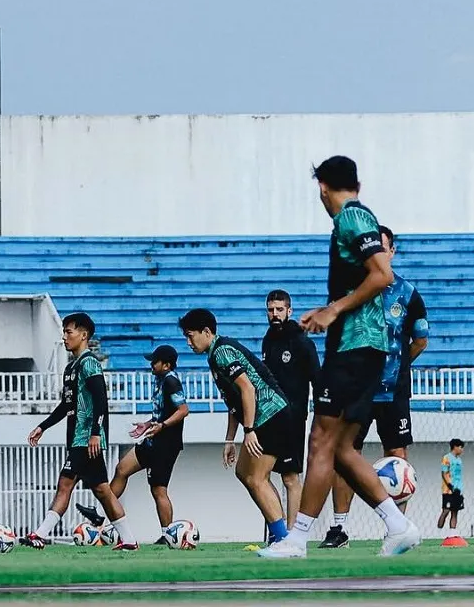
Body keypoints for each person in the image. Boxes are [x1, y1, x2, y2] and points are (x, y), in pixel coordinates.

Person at [260, 156, 420, 559]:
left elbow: (382, 274)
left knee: (321, 441)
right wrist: (329, 310)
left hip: (355, 348)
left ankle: (296, 540)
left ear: (322, 188)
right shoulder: (358, 217)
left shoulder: (351, 218)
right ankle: (398, 525)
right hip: (364, 348)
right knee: (343, 449)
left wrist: (334, 310)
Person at [321, 225, 429, 549]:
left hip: (393, 390)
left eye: (383, 248)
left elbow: (420, 341)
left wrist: (396, 366)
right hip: (358, 389)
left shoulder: (408, 293)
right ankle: (339, 528)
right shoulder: (353, 289)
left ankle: (396, 529)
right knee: (345, 453)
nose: (377, 254)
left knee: (397, 457)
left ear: (392, 252)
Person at [23, 313, 138, 550]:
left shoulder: (89, 363)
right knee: (102, 490)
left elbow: (101, 399)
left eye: (69, 332)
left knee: (65, 483)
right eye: (64, 332)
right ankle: (129, 540)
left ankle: (40, 534)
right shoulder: (70, 368)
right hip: (77, 438)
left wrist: (96, 432)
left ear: (83, 335)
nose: (64, 337)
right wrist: (42, 427)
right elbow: (66, 405)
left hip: (86, 438)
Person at [180, 308, 293, 546]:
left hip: (271, 414)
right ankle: (279, 534)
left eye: (190, 336)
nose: (188, 342)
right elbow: (234, 401)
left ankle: (283, 540)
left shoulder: (221, 351)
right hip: (267, 417)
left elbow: (247, 389)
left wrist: (249, 431)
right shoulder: (215, 353)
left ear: (206, 332)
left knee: (256, 478)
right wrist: (230, 439)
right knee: (244, 472)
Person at [77, 344, 190, 546]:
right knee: (122, 469)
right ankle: (100, 514)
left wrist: (162, 426)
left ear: (166, 365)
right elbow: (163, 412)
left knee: (158, 490)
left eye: (155, 362)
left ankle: (168, 535)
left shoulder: (171, 381)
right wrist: (148, 424)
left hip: (165, 445)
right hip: (153, 440)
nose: (151, 365)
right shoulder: (161, 380)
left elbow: (183, 410)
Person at [261, 289, 320, 529]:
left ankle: (294, 534)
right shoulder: (268, 340)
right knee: (260, 476)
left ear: (289, 311)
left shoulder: (301, 342)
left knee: (290, 477)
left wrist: (321, 417)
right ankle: (277, 530)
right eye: (270, 310)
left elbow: (317, 379)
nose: (274, 314)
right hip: (268, 418)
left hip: (292, 419)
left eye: (279, 309)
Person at [438, 439, 465, 536]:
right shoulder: (446, 458)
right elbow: (444, 473)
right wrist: (450, 486)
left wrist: (459, 489)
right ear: (455, 447)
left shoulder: (459, 460)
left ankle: (452, 533)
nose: (462, 450)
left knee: (455, 511)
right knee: (446, 511)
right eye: (461, 447)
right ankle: (438, 530)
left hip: (458, 490)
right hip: (448, 491)